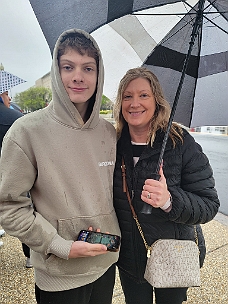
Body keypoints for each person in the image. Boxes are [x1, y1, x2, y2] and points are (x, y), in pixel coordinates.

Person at [0, 29, 120, 304]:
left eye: (88, 68)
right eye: (68, 67)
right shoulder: (26, 132)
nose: (78, 76)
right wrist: (59, 246)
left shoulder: (109, 132)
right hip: (59, 275)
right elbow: (9, 206)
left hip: (105, 263)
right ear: (56, 71)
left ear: (98, 75)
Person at [113, 67, 220, 304]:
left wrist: (169, 201)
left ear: (157, 101)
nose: (134, 103)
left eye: (144, 95)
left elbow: (209, 205)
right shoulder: (113, 145)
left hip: (174, 255)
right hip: (131, 257)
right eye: (127, 96)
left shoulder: (180, 143)